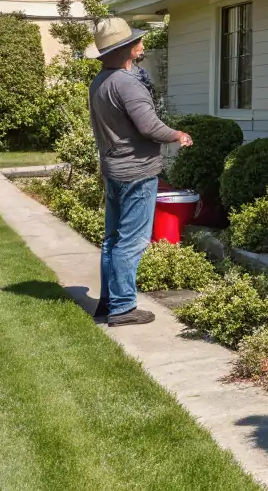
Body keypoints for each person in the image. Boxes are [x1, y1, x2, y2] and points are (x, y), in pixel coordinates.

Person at [86, 17, 194, 326]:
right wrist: (177, 135)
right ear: (126, 49)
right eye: (137, 41)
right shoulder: (126, 84)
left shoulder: (101, 81)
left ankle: (108, 302)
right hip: (136, 172)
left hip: (114, 169)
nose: (142, 44)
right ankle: (122, 307)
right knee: (132, 241)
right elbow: (149, 126)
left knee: (113, 239)